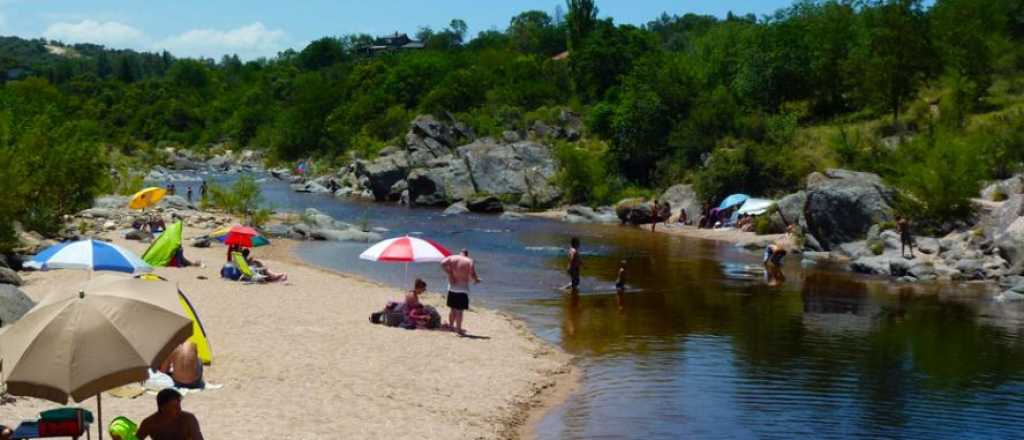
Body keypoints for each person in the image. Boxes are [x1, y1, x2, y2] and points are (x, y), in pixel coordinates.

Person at [135, 388, 204, 440]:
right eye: (174, 407)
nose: (179, 409)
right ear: (162, 407)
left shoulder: (188, 419)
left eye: (179, 405)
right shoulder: (149, 423)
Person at [440, 249, 480, 334]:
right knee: (459, 311)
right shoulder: (469, 261)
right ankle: (458, 330)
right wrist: (476, 280)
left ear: (460, 253)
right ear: (467, 254)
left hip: (452, 288)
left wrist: (449, 272)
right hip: (462, 289)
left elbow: (442, 263)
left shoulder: (453, 257)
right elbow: (472, 274)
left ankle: (451, 327)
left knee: (452, 310)